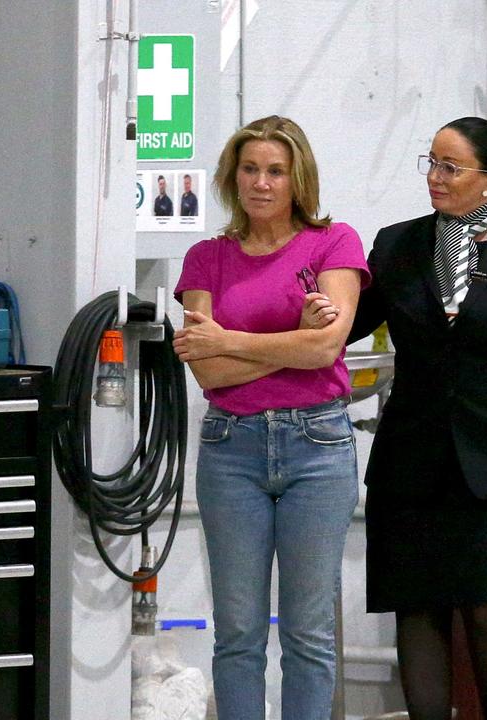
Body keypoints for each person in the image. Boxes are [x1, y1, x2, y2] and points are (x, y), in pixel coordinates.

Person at [307, 116, 487, 720]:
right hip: (414, 455)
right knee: (420, 604)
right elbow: (350, 324)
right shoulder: (397, 244)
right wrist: (318, 306)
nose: (434, 177)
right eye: (430, 162)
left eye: (450, 167)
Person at [172, 114, 369, 720]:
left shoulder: (334, 243)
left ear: (297, 178)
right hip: (232, 448)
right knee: (237, 635)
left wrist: (232, 340)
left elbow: (325, 350)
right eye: (251, 169)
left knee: (308, 635)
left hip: (318, 444)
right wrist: (292, 343)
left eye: (275, 171)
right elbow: (207, 371)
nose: (262, 182)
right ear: (234, 178)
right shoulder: (206, 258)